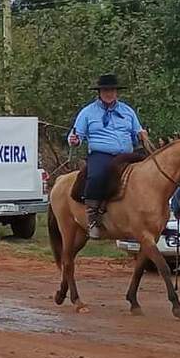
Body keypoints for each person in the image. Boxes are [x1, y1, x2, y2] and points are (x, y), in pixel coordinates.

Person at [67, 74, 148, 239]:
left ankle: (146, 214)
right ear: (99, 92)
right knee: (96, 175)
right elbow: (75, 137)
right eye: (105, 90)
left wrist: (141, 135)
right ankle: (93, 219)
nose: (109, 93)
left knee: (149, 173)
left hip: (127, 154)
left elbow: (136, 132)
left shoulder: (127, 111)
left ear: (116, 92)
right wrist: (74, 140)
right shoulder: (87, 113)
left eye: (112, 90)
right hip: (101, 154)